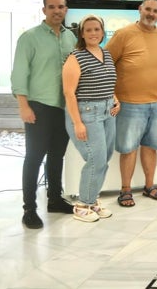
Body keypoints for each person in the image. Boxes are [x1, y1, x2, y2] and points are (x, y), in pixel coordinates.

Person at [12, 0, 78, 229]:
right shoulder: (29, 38)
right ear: (44, 10)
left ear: (66, 9)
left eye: (61, 6)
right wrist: (23, 106)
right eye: (51, 7)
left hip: (64, 108)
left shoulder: (71, 38)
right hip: (38, 107)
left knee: (57, 157)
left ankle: (54, 200)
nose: (56, 11)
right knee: (33, 158)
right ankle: (29, 209)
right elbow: (20, 73)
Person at [106, 0, 157, 207]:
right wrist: (113, 94)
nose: (151, 14)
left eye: (156, 11)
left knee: (151, 146)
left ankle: (149, 186)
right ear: (140, 9)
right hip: (130, 103)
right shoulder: (123, 34)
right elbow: (107, 63)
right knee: (128, 148)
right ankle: (125, 190)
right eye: (148, 9)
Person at [62, 15, 120, 222]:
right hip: (86, 113)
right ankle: (82, 205)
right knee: (95, 160)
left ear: (103, 32)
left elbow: (107, 81)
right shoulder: (75, 57)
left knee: (104, 158)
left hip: (107, 111)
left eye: (97, 29)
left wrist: (115, 99)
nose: (93, 33)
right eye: (89, 30)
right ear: (82, 34)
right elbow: (69, 94)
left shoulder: (105, 53)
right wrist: (77, 123)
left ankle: (92, 200)